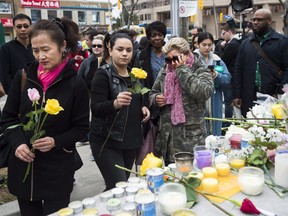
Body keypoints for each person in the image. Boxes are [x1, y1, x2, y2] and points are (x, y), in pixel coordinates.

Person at [0, 18, 89, 215]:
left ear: (62, 45)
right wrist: (19, 144)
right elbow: (8, 118)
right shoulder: (23, 77)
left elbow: (82, 129)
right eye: (35, 50)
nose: (40, 56)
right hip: (25, 167)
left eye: (46, 49)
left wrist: (55, 141)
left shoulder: (76, 84)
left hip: (57, 170)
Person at [89, 32, 150, 191]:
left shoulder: (134, 74)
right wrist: (115, 104)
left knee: (122, 185)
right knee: (118, 186)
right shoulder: (103, 74)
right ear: (110, 49)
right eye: (120, 49)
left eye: (129, 50)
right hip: (107, 140)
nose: (124, 54)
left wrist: (143, 108)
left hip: (130, 140)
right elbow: (95, 108)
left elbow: (137, 100)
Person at [149, 37, 213, 165]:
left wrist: (182, 69)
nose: (172, 63)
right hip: (168, 136)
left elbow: (203, 92)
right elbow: (153, 92)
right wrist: (156, 99)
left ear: (187, 54)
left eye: (175, 59)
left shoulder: (200, 69)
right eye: (168, 60)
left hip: (190, 138)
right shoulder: (165, 70)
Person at [232, 8, 288, 116]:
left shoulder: (282, 42)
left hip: (273, 97)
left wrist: (280, 92)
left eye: (259, 20)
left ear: (269, 21)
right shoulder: (245, 43)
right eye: (254, 20)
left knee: (273, 131)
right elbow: (238, 69)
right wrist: (237, 95)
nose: (255, 22)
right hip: (249, 97)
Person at [194, 32, 231, 136]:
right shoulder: (192, 59)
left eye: (209, 45)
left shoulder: (217, 60)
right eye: (204, 45)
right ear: (197, 45)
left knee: (215, 130)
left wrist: (216, 75)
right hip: (197, 101)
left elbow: (227, 79)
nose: (207, 48)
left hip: (215, 99)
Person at [0, 13, 35, 93]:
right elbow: (4, 75)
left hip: (38, 90)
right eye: (19, 26)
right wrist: (13, 93)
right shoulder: (6, 48)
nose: (23, 29)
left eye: (26, 26)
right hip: (17, 92)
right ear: (14, 28)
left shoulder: (36, 46)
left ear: (30, 27)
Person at [216, 24, 241, 126]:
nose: (222, 36)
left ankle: (227, 123)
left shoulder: (232, 44)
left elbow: (223, 59)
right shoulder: (238, 42)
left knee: (228, 101)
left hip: (230, 76)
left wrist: (221, 47)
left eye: (223, 33)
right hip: (234, 76)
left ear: (229, 32)